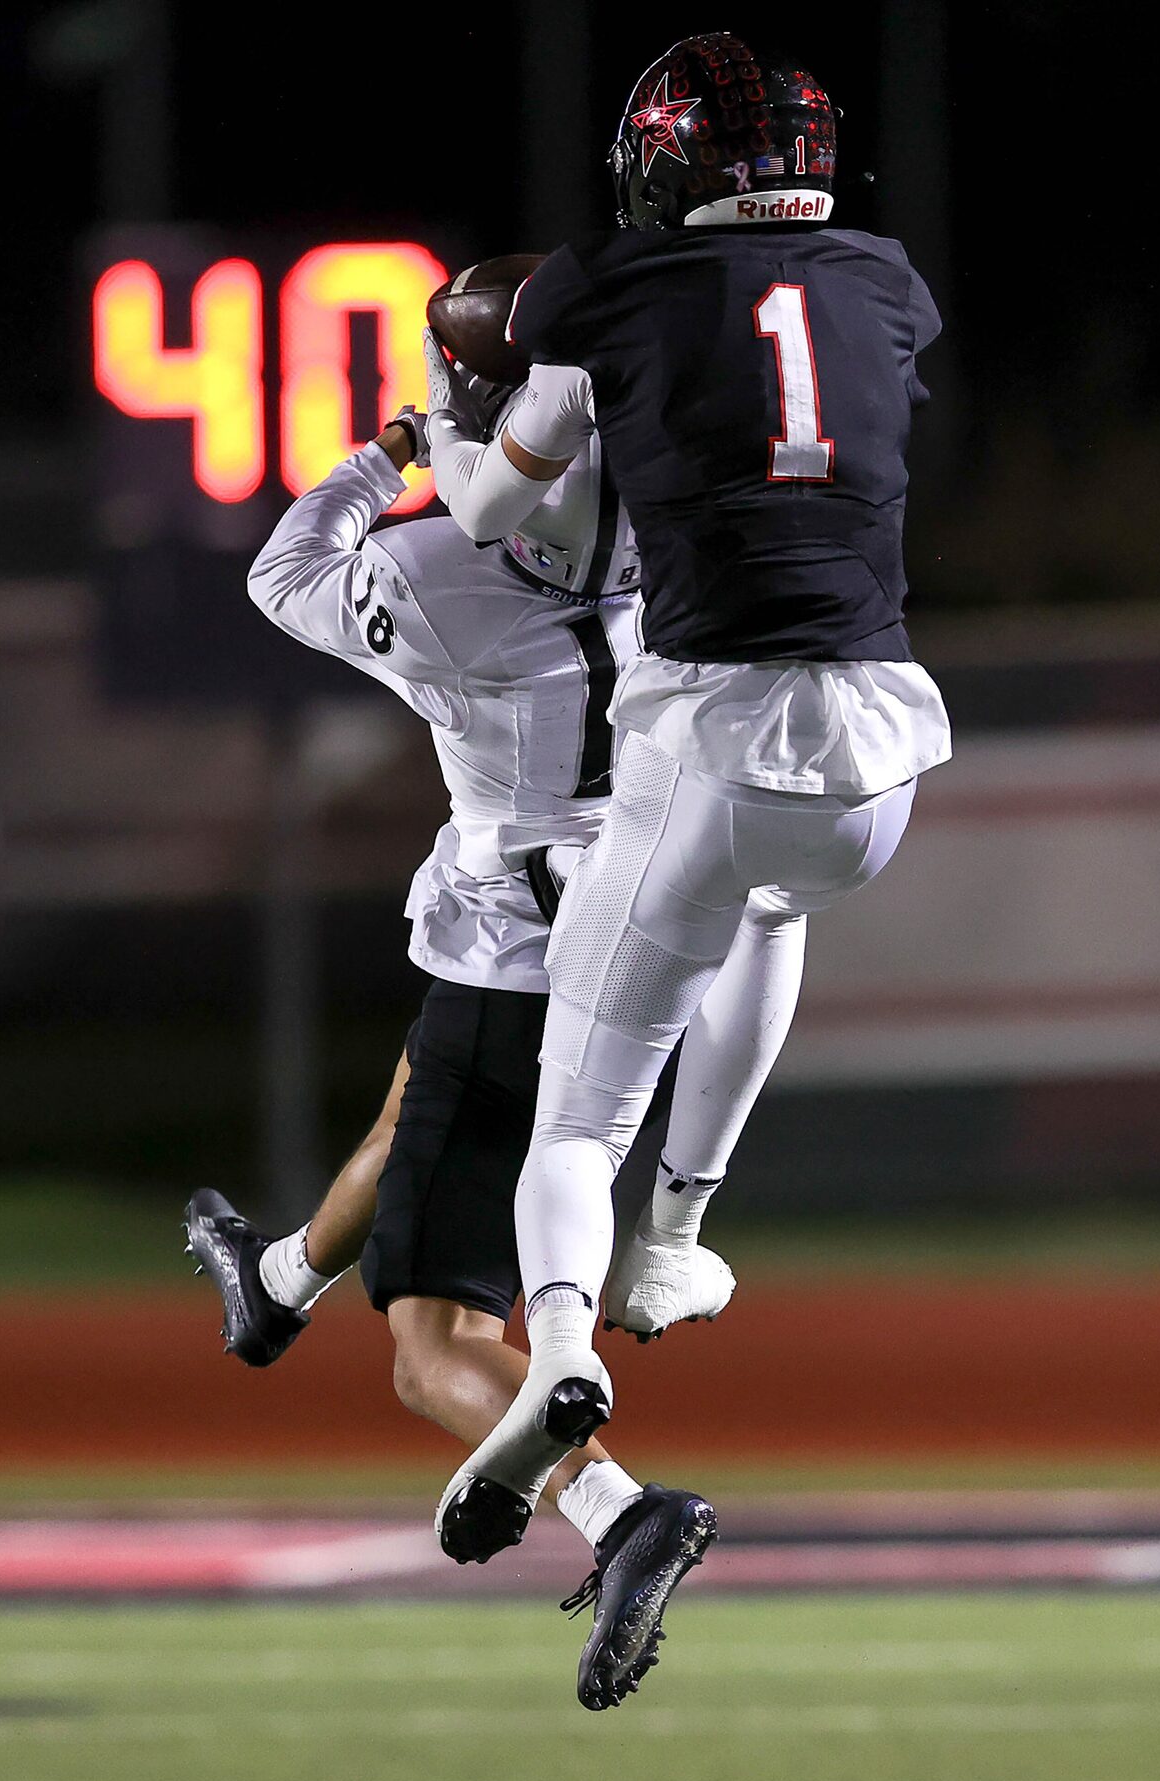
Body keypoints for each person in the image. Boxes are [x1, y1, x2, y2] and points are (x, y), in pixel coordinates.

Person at [184, 337, 806, 1703]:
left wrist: (397, 449)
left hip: (522, 955)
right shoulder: (701, 542)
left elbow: (284, 567)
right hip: (669, 922)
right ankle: (276, 1283)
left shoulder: (437, 569)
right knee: (425, 1104)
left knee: (429, 1343)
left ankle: (614, 1508)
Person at [423, 35, 953, 1582]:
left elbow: (492, 507)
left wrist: (447, 424)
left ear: (660, 164)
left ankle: (564, 1352)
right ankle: (682, 1228)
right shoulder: (886, 278)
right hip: (880, 755)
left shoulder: (603, 289)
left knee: (575, 1115)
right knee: (774, 905)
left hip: (713, 729)